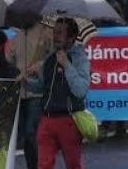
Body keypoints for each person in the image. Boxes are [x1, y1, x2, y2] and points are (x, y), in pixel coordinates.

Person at [23, 18, 90, 169]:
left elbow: (80, 90)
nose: (55, 36)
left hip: (69, 120)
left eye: (60, 33)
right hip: (46, 120)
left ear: (72, 37)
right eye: (54, 32)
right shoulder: (50, 58)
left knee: (73, 164)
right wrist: (26, 82)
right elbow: (42, 87)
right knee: (43, 165)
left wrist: (66, 64)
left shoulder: (79, 58)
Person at [9, 22, 52, 169]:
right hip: (20, 92)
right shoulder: (17, 35)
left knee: (30, 133)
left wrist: (38, 67)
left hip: (37, 91)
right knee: (26, 137)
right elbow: (10, 61)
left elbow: (52, 58)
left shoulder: (46, 32)